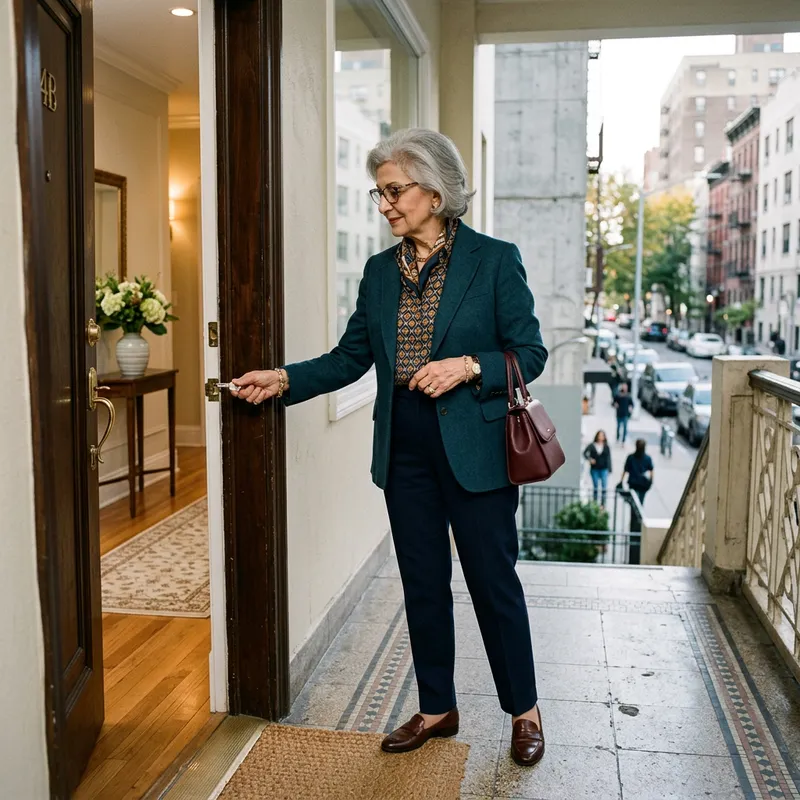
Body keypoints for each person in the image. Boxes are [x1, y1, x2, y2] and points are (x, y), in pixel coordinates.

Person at [229, 129, 548, 768]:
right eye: (380, 193)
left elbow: (530, 353)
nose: (386, 204)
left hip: (477, 450)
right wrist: (284, 379)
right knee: (422, 582)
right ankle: (437, 708)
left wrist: (467, 366)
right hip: (405, 446)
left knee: (493, 583)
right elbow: (350, 357)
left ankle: (525, 711)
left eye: (395, 190)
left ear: (436, 190)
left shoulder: (493, 260)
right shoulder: (380, 273)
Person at [623, 439, 654, 505]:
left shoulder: (631, 457)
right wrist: (651, 480)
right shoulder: (647, 458)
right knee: (640, 502)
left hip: (634, 482)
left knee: (633, 502)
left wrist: (621, 480)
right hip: (642, 483)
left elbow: (625, 470)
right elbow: (651, 470)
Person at [583, 430, 611, 505]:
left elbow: (608, 458)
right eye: (600, 435)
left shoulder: (606, 446)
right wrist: (590, 459)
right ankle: (595, 502)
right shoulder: (592, 445)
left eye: (602, 436)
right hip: (594, 469)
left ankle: (603, 504)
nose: (601, 437)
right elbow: (585, 453)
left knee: (604, 486)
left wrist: (609, 469)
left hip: (604, 469)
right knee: (595, 486)